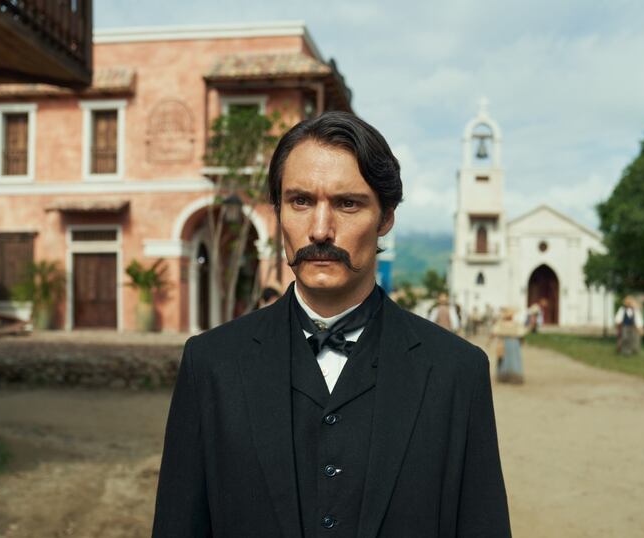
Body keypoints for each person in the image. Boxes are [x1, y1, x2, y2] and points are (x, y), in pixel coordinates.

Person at [152, 112, 511, 537]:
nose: (320, 231)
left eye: (347, 204)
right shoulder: (210, 365)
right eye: (301, 201)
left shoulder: (457, 373)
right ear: (279, 210)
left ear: (386, 217)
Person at [490, 307, 526, 384]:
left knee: (509, 359)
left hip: (508, 342)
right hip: (510, 343)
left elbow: (494, 333)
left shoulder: (504, 323)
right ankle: (507, 376)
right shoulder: (507, 323)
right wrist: (522, 341)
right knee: (508, 359)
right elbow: (521, 334)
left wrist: (490, 341)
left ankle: (508, 377)